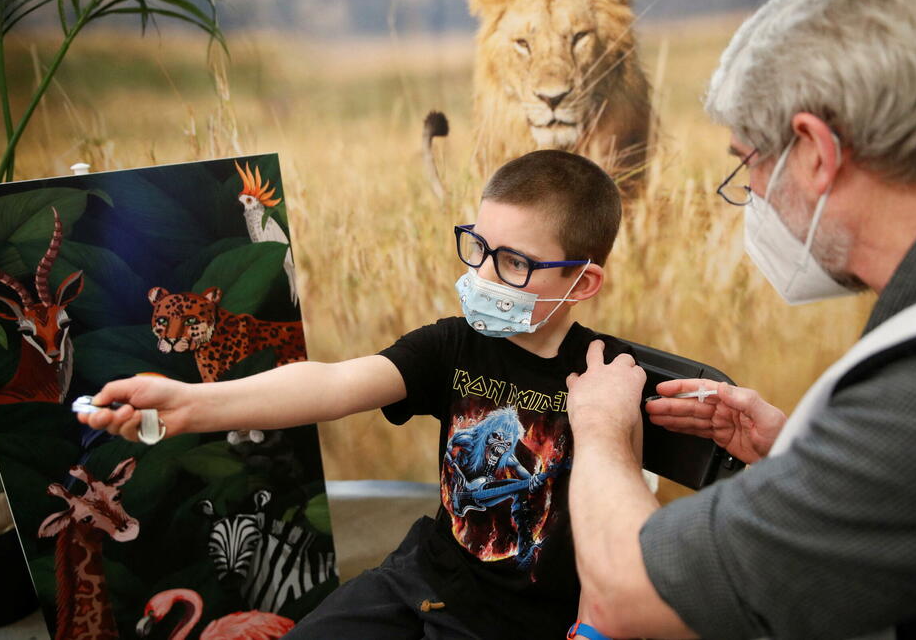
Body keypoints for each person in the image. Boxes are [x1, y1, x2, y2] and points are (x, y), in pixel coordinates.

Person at [563, 0, 916, 638]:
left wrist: (599, 431)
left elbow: (626, 590)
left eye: (750, 162)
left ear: (817, 153)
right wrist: (803, 455)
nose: (750, 192)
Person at [78, 149, 637, 640]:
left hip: (516, 620)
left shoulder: (606, 382)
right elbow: (335, 383)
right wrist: (191, 403)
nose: (485, 276)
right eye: (479, 247)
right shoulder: (452, 343)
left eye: (515, 262)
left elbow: (612, 531)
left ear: (582, 282)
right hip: (423, 576)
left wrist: (593, 629)